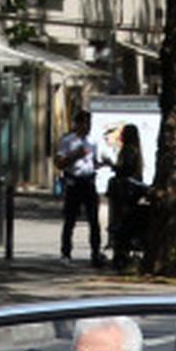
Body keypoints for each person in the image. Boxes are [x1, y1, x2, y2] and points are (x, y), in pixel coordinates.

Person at [56, 109, 104, 265]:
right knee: (70, 219)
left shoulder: (93, 141)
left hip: (89, 181)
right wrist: (76, 155)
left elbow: (94, 161)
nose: (87, 127)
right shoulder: (68, 141)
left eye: (89, 123)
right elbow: (60, 163)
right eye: (84, 123)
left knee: (93, 220)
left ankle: (95, 252)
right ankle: (66, 252)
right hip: (74, 181)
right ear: (77, 124)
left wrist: (103, 163)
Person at [106, 124, 148, 274]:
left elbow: (126, 170)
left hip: (126, 193)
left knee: (122, 223)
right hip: (132, 192)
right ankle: (123, 252)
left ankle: (121, 254)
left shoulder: (129, 151)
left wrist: (112, 166)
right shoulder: (136, 151)